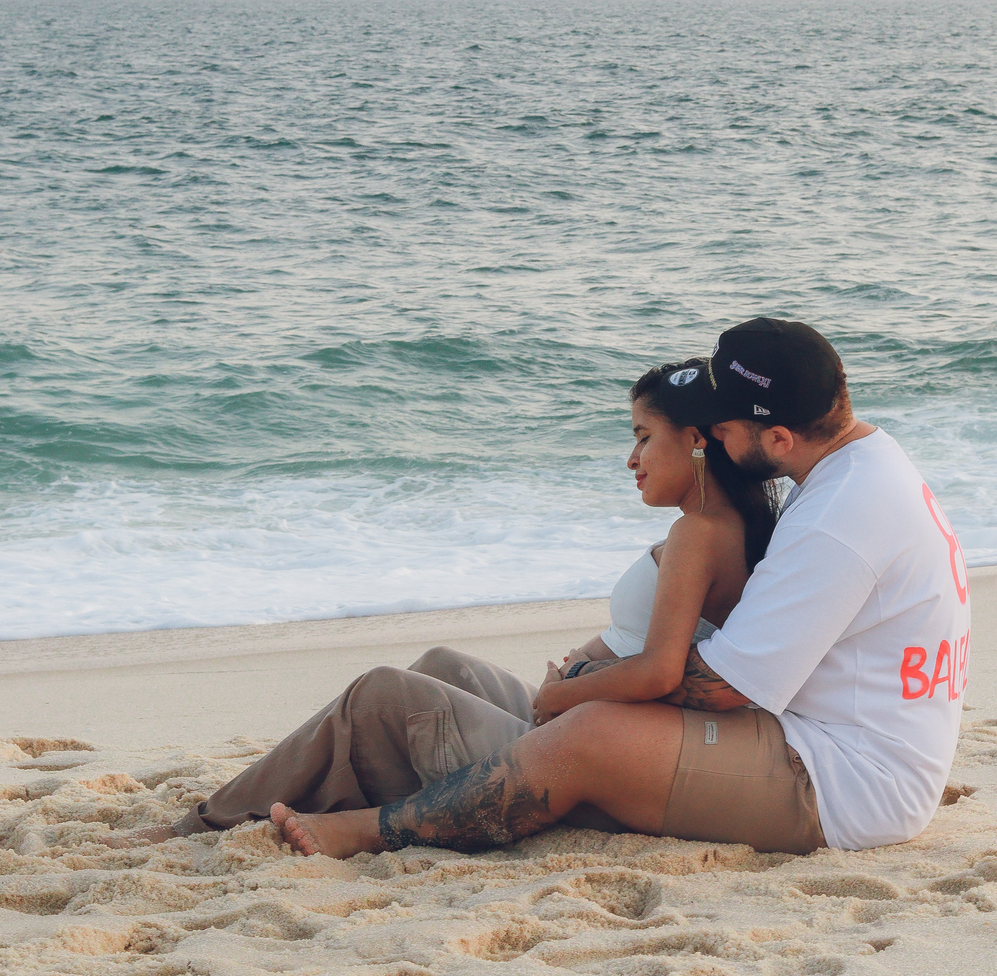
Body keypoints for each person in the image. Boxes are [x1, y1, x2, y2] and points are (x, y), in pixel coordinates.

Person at [115, 357, 778, 847]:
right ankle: (296, 794)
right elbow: (659, 643)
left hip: (587, 747)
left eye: (642, 436)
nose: (631, 458)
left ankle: (202, 825)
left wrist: (559, 697)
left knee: (379, 695)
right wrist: (583, 666)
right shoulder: (717, 527)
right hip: (589, 713)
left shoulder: (700, 533)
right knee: (439, 663)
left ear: (695, 440)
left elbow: (662, 671)